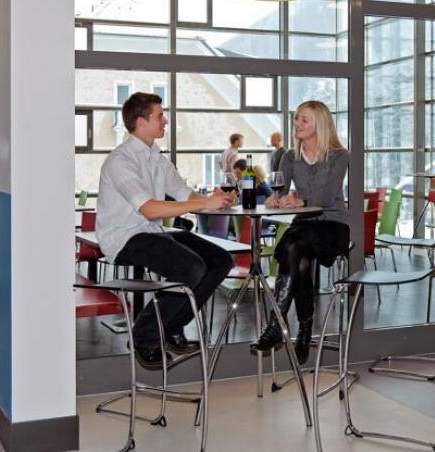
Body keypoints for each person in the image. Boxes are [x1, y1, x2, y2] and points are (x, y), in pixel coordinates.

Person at [97, 92, 236, 370]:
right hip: (124, 238)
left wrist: (216, 201)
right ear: (141, 121)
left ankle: (171, 328)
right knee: (190, 267)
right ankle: (144, 335)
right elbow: (149, 209)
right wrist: (203, 203)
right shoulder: (120, 161)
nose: (166, 120)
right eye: (160, 115)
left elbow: (185, 194)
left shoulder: (157, 159)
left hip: (152, 232)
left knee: (221, 260)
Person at [251, 100, 349, 365]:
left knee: (291, 245)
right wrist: (274, 200)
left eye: (304, 120)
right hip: (305, 227)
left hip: (334, 225)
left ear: (320, 124)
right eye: (296, 119)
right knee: (298, 256)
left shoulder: (339, 156)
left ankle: (277, 324)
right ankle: (301, 329)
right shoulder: (290, 157)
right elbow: (280, 191)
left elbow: (327, 196)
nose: (297, 124)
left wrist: (300, 201)